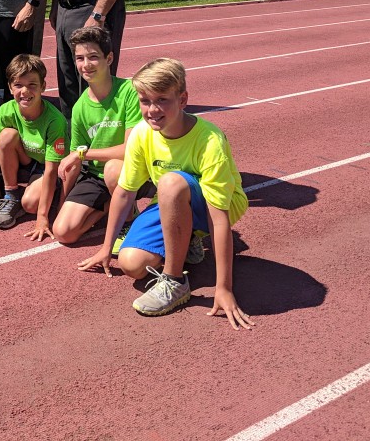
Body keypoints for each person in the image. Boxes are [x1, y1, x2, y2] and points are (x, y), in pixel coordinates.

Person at [81, 58, 255, 329]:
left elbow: (218, 218)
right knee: (131, 264)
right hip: (173, 200)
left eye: (162, 100)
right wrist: (106, 248)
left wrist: (224, 287)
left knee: (171, 183)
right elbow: (125, 193)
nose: (152, 109)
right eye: (145, 101)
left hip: (219, 206)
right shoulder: (142, 134)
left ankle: (175, 281)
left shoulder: (210, 140)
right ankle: (188, 240)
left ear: (182, 100)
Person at [52, 26, 144, 246]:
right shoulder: (80, 107)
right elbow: (74, 163)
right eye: (80, 58)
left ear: (109, 58)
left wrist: (82, 154)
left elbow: (129, 149)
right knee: (63, 233)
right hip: (95, 176)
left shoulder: (129, 92)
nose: (86, 64)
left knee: (113, 169)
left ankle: (128, 217)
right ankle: (110, 206)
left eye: (93, 57)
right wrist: (61, 205)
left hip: (131, 170)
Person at [0, 54, 67, 235]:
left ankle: (50, 191)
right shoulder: (6, 110)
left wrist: (42, 217)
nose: (25, 91)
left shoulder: (55, 120)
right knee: (6, 136)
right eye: (18, 85)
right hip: (25, 159)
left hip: (47, 166)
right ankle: (11, 195)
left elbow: (51, 169)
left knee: (30, 205)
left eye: (32, 85)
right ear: (10, 87)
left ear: (43, 87)